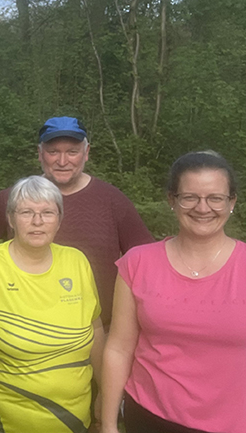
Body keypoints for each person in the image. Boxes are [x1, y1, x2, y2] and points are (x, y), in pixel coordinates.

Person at [101, 151, 246, 433]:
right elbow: (119, 348)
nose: (202, 208)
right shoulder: (137, 263)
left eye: (215, 198)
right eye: (189, 197)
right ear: (172, 200)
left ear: (232, 203)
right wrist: (107, 424)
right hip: (149, 417)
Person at [0, 175, 104, 433]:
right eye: (26, 212)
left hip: (72, 422)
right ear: (11, 219)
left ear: (59, 219)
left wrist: (105, 391)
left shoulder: (77, 262)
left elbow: (95, 328)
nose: (37, 221)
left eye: (47, 213)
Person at [0, 116, 153, 329]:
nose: (62, 161)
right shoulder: (13, 199)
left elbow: (148, 263)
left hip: (98, 332)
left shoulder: (112, 200)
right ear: (40, 153)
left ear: (86, 153)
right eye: (53, 152)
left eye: (72, 152)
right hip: (21, 332)